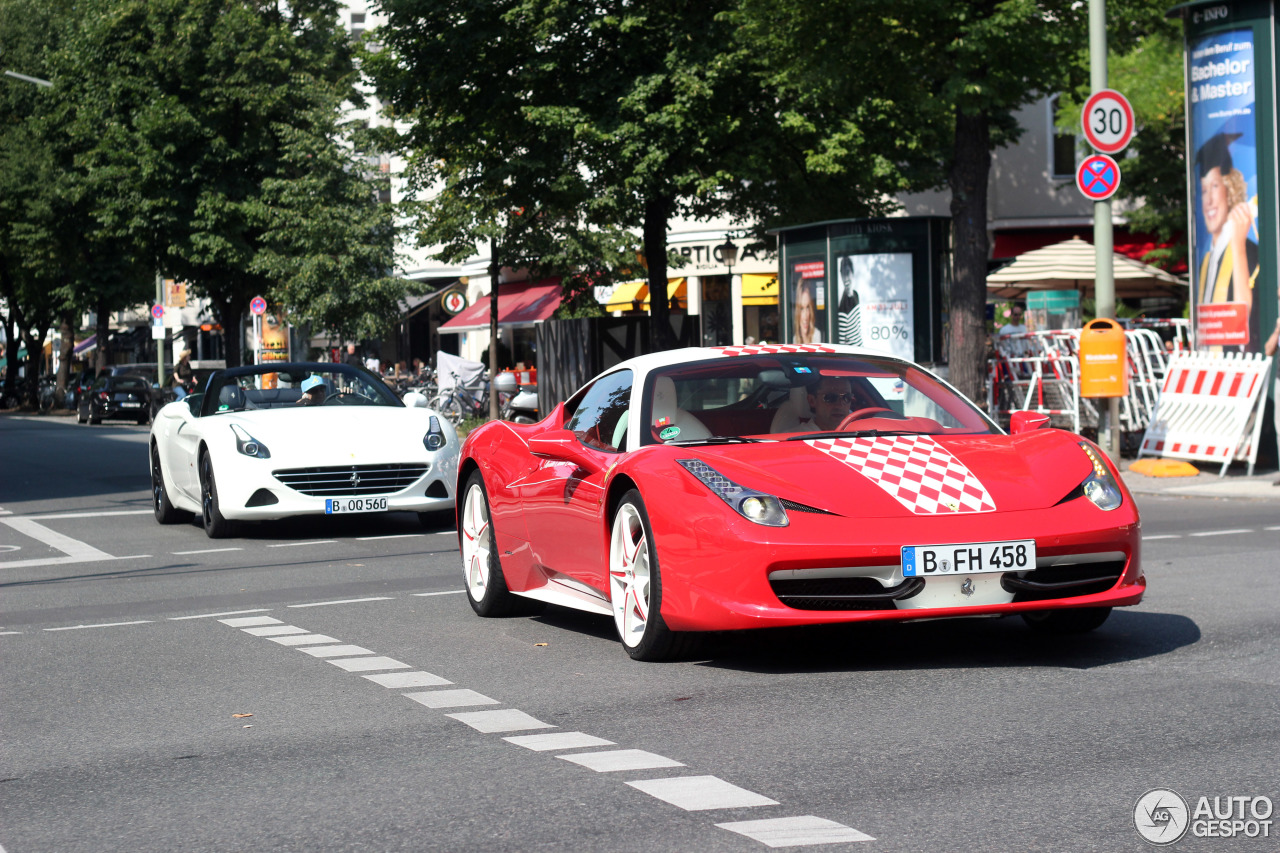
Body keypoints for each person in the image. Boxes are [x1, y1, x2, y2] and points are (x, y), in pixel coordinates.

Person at [1196, 132, 1260, 350]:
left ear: (1230, 189)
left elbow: (1248, 322)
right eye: (1204, 190)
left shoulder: (1249, 251)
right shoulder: (1206, 261)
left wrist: (1239, 246)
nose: (1209, 200)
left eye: (1215, 186)